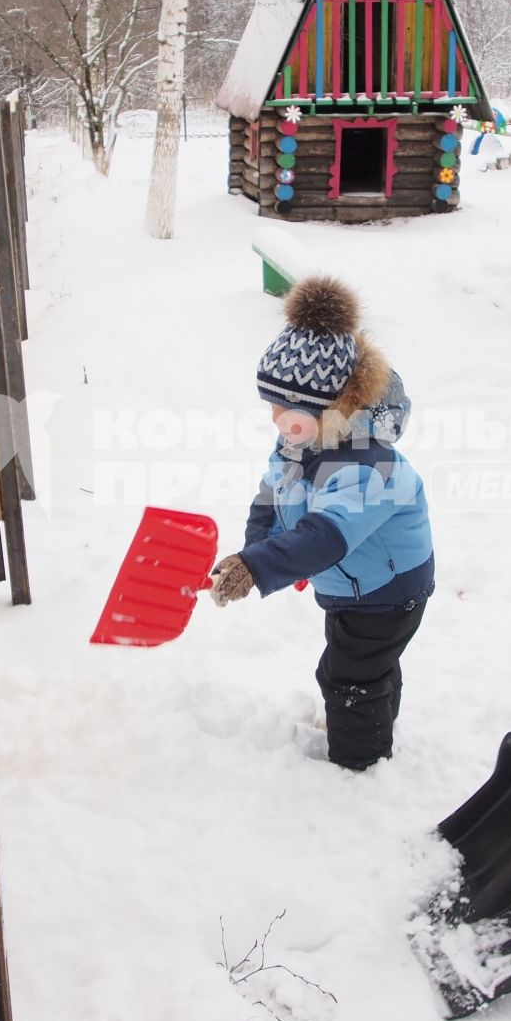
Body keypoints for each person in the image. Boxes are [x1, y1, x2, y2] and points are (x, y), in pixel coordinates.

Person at [208, 277, 435, 771]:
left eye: (283, 409)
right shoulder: (300, 444)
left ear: (329, 410)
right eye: (271, 406)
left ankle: (359, 765)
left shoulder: (370, 467)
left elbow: (327, 534)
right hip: (354, 583)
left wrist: (263, 565)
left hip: (386, 592)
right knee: (367, 666)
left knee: (348, 677)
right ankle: (375, 727)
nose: (273, 419)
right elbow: (271, 496)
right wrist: (255, 552)